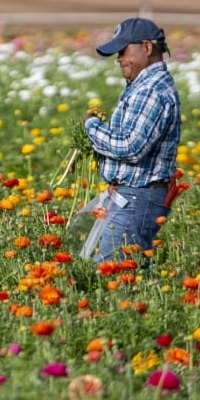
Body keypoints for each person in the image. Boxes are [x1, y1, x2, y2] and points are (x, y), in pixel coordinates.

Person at [80, 17, 181, 267]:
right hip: (133, 195)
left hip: (138, 196)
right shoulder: (141, 85)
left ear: (147, 48)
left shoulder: (151, 90)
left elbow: (130, 147)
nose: (119, 59)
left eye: (123, 51)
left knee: (111, 272)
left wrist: (91, 127)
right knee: (122, 270)